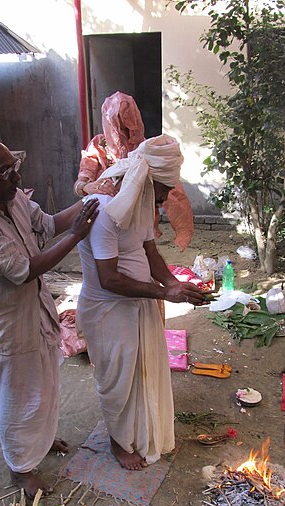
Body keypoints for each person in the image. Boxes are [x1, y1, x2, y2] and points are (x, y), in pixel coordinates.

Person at [0, 137, 99, 498]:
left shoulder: (10, 195)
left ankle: (40, 442)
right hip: (5, 324)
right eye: (5, 173)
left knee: (44, 387)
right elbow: (24, 270)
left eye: (15, 168)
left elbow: (47, 224)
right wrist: (78, 232)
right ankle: (20, 467)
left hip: (35, 310)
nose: (16, 179)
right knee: (16, 398)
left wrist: (94, 200)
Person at [76, 134, 205, 471]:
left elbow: (150, 252)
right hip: (108, 310)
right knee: (118, 380)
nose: (164, 200)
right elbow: (110, 279)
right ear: (145, 183)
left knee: (143, 372)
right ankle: (118, 442)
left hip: (140, 302)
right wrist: (165, 293)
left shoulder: (144, 208)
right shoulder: (104, 213)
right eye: (162, 192)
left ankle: (140, 431)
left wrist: (176, 284)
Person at [73, 91, 194, 251]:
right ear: (110, 125)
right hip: (105, 220)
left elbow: (171, 190)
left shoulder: (146, 150)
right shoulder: (98, 146)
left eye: (129, 126)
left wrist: (181, 228)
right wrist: (86, 187)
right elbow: (81, 182)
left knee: (140, 256)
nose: (125, 133)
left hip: (140, 223)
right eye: (119, 127)